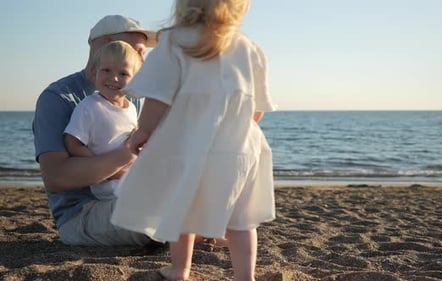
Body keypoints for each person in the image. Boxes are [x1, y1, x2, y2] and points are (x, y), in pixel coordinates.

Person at [110, 0, 277, 280]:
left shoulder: (175, 41)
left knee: (183, 207)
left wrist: (143, 131)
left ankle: (180, 270)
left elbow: (157, 96)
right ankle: (244, 276)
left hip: (191, 143)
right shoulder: (249, 48)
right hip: (242, 147)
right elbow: (257, 109)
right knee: (242, 218)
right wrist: (234, 130)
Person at [32, 15, 158, 246]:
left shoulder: (132, 98)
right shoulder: (59, 98)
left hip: (127, 195)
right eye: (137, 50)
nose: (142, 59)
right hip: (82, 214)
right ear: (105, 44)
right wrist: (127, 155)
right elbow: (56, 177)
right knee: (155, 212)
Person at [63, 40, 142, 201]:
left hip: (131, 176)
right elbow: (72, 143)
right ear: (94, 73)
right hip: (108, 185)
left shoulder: (131, 108)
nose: (113, 78)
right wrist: (105, 168)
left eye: (123, 74)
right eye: (106, 70)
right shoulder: (90, 107)